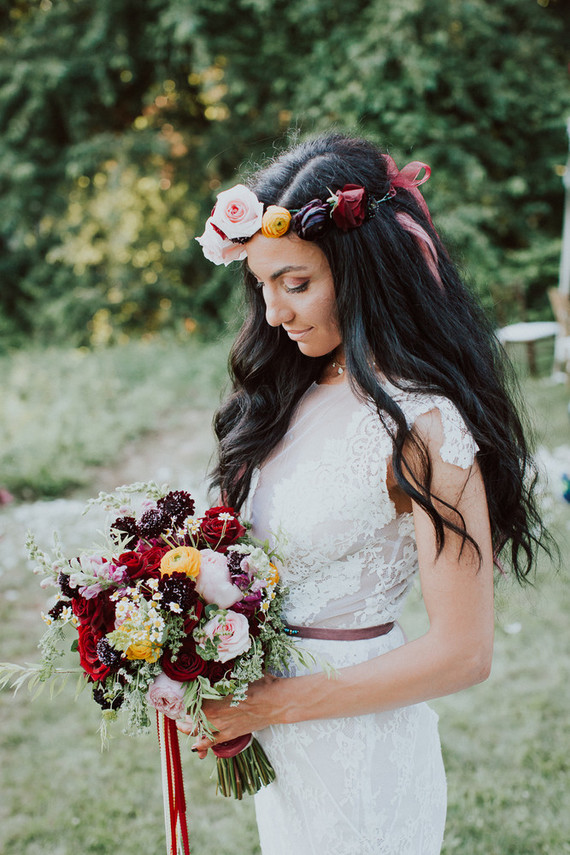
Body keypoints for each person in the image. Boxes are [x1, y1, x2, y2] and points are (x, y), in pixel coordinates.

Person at [177, 133, 546, 854]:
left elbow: (464, 652)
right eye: (261, 284)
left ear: (362, 272)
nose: (274, 313)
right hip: (284, 750)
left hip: (362, 751)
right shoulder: (287, 395)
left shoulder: (425, 423)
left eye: (296, 283)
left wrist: (271, 704)